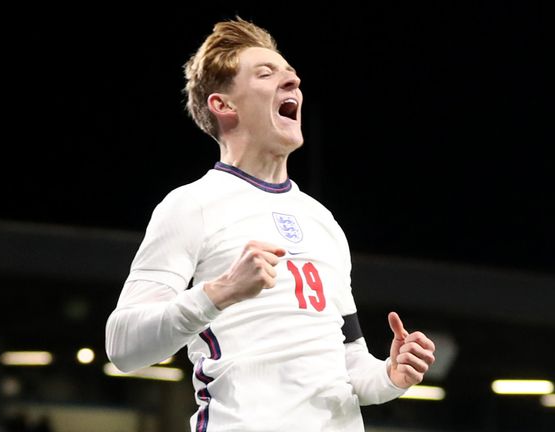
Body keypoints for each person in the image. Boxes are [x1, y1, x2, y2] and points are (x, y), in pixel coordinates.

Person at [105, 17, 436, 432]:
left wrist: (390, 375)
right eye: (266, 73)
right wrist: (217, 294)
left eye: (290, 74)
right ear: (224, 105)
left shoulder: (323, 222)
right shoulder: (191, 206)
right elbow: (122, 346)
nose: (292, 80)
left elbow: (350, 364)